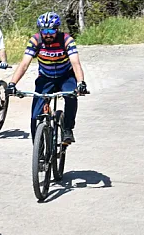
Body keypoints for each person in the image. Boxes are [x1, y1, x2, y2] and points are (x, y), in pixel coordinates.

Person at [6, 12, 88, 144]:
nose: (48, 34)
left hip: (65, 76)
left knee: (71, 96)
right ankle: (38, 150)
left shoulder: (67, 40)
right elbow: (24, 64)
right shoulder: (35, 40)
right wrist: (12, 84)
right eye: (44, 30)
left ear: (57, 29)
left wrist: (81, 83)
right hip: (45, 78)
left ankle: (67, 128)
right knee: (34, 117)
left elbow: (75, 63)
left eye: (51, 30)